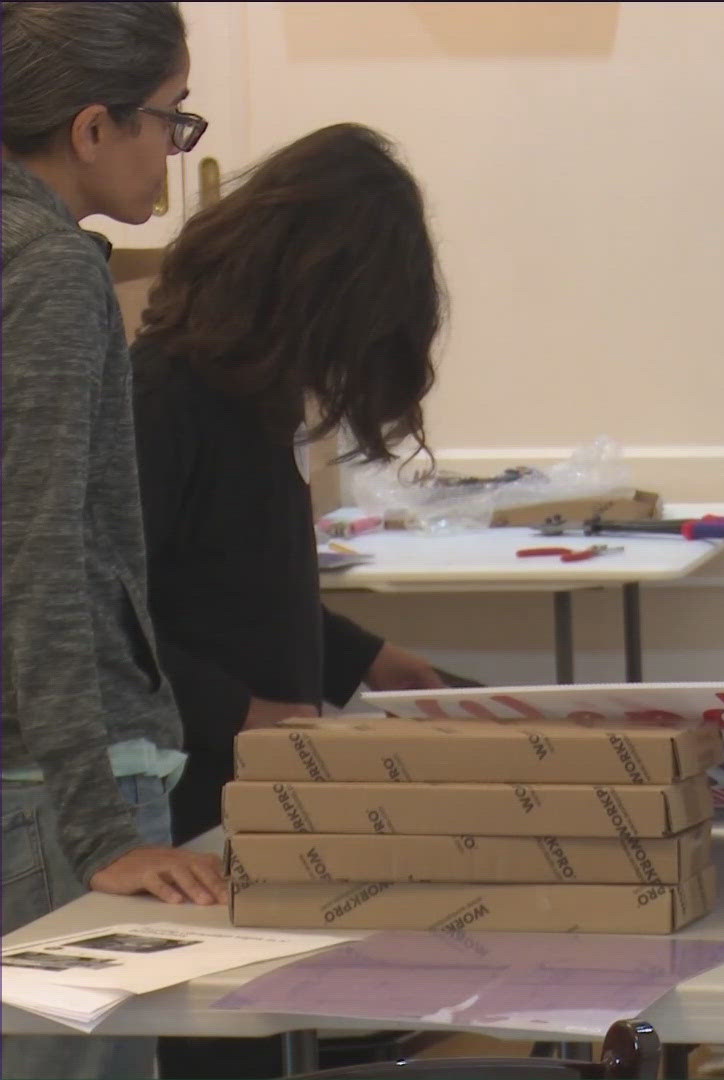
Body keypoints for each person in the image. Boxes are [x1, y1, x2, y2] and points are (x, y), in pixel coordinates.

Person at [129, 123, 447, 1078]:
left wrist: (359, 657)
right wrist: (246, 712)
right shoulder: (167, 399)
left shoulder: (250, 399)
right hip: (182, 809)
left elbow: (233, 580)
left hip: (248, 792)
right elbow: (119, 620)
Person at [1, 4, 224, 1077]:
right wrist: (100, 832)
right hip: (59, 783)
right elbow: (35, 549)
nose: (178, 152)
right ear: (93, 129)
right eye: (172, 120)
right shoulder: (51, 266)